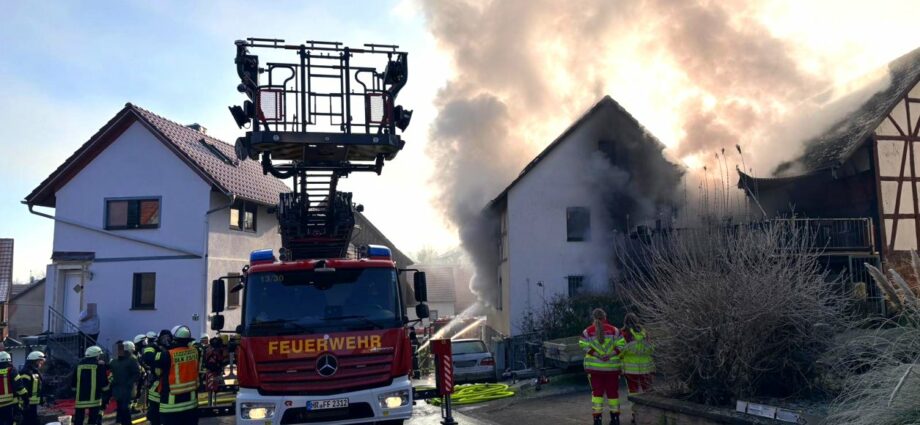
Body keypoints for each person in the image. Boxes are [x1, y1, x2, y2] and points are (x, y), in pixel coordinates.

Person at [579, 308, 625, 425]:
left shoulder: (587, 332)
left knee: (597, 394)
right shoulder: (615, 330)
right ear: (605, 317)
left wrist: (598, 355)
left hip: (595, 369)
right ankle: (615, 419)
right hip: (612, 368)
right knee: (613, 394)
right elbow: (621, 346)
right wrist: (609, 355)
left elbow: (583, 345)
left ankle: (597, 420)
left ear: (593, 318)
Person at [154, 325, 200, 425]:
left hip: (171, 407)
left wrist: (151, 347)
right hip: (191, 406)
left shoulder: (168, 355)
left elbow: (149, 359)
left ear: (174, 339)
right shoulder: (195, 351)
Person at [71, 346, 110, 425]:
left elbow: (73, 380)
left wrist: (74, 392)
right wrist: (106, 391)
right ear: (96, 355)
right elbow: (103, 381)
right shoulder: (99, 365)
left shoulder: (78, 365)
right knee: (93, 418)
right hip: (95, 397)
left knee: (79, 418)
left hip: (80, 397)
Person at [621, 313, 654, 397]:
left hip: (630, 368)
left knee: (633, 390)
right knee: (648, 389)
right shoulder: (645, 333)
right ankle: (649, 407)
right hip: (646, 366)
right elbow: (652, 348)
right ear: (637, 320)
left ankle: (635, 409)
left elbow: (620, 351)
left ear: (625, 322)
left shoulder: (624, 334)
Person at [110, 341, 141, 425]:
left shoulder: (131, 359)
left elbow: (137, 373)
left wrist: (129, 383)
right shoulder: (115, 361)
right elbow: (110, 370)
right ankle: (120, 421)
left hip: (127, 388)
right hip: (118, 388)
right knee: (120, 407)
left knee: (125, 408)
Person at [143, 330, 170, 425]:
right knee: (155, 413)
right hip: (156, 385)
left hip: (168, 385)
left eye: (168, 337)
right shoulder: (153, 347)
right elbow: (147, 357)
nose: (166, 340)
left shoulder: (172, 349)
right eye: (164, 338)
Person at [17, 351, 45, 425]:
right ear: (34, 361)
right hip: (27, 405)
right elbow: (23, 389)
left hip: (33, 404)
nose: (42, 363)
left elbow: (38, 387)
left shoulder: (35, 372)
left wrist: (41, 400)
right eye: (40, 360)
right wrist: (26, 403)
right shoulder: (25, 372)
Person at [0, 352, 25, 425]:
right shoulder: (12, 371)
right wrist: (25, 399)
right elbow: (20, 387)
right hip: (10, 404)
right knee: (12, 421)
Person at [203, 337, 228, 406]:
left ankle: (211, 404)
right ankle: (212, 404)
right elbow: (224, 360)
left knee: (212, 388)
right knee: (214, 388)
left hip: (212, 371)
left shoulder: (208, 349)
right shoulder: (217, 351)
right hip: (214, 371)